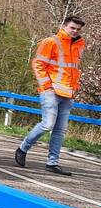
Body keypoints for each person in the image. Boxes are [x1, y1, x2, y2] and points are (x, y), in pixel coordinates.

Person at [15, 16, 87, 175]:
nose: (75, 31)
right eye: (72, 28)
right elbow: (38, 64)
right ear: (64, 26)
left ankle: (52, 163)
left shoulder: (79, 45)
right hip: (51, 90)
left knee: (60, 130)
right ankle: (23, 148)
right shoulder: (51, 42)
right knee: (48, 125)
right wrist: (47, 86)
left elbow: (73, 69)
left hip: (68, 92)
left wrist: (75, 88)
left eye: (78, 29)